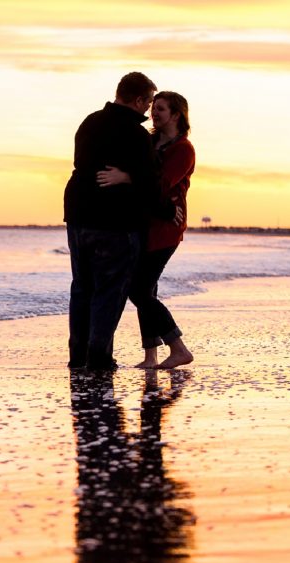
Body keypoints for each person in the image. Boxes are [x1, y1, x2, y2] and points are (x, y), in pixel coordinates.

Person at [63, 72, 173, 371]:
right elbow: (150, 184)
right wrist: (167, 210)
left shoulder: (89, 122)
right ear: (137, 100)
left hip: (78, 215)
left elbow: (82, 164)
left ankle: (78, 356)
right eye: (148, 102)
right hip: (115, 222)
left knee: (82, 287)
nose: (148, 109)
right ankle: (98, 356)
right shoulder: (135, 135)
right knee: (109, 290)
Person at [96, 91, 195, 369]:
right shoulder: (149, 141)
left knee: (138, 290)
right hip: (141, 224)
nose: (154, 113)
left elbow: (161, 184)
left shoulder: (183, 149)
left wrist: (126, 177)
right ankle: (151, 355)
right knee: (146, 290)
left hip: (166, 227)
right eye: (153, 107)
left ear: (176, 115)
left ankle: (178, 348)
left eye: (161, 109)